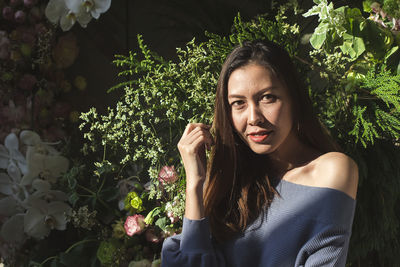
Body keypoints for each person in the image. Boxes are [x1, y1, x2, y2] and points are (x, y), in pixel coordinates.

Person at [161, 40, 359, 267]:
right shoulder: (231, 182)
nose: (253, 117)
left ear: (294, 98)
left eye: (267, 97)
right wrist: (195, 184)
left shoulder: (331, 170)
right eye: (238, 103)